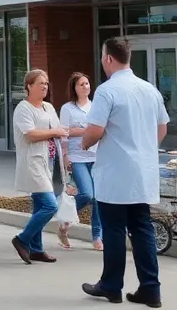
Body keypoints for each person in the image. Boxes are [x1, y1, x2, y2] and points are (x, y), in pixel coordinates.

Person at [81, 37, 169, 308]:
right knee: (142, 228)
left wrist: (84, 143)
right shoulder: (149, 89)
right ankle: (150, 289)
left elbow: (94, 130)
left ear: (108, 58)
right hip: (142, 171)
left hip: (115, 172)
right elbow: (162, 127)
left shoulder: (107, 91)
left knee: (114, 229)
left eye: (102, 57)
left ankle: (110, 286)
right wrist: (144, 148)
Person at [12, 69, 72, 264]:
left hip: (49, 161)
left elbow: (59, 131)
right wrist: (53, 131)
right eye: (40, 83)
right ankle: (22, 240)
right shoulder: (23, 108)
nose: (45, 86)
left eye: (46, 83)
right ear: (29, 86)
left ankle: (36, 249)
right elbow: (30, 134)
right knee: (49, 205)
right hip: (33, 162)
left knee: (40, 205)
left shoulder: (48, 107)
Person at [60, 71, 103, 250]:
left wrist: (81, 130)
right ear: (74, 88)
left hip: (96, 156)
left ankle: (97, 237)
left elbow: (100, 129)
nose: (86, 87)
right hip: (76, 157)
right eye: (81, 84)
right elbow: (64, 132)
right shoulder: (67, 108)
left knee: (98, 199)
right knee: (87, 194)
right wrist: (65, 156)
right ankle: (65, 220)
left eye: (87, 84)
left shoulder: (96, 107)